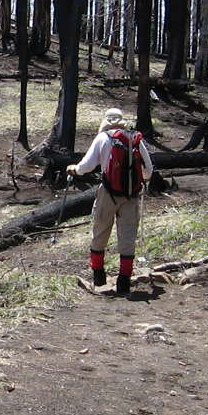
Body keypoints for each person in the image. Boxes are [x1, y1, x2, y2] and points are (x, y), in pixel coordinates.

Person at [66, 108, 155, 296]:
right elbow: (148, 170)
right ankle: (124, 281)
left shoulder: (103, 138)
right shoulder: (135, 139)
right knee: (128, 236)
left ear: (105, 121)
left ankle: (98, 275)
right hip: (131, 194)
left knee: (100, 230)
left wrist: (74, 169)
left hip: (108, 192)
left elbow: (87, 166)